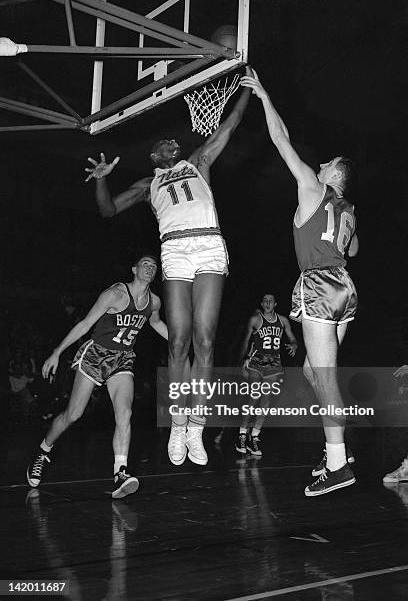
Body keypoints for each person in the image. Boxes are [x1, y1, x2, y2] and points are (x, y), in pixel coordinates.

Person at [85, 72, 252, 467]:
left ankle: (196, 425)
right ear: (155, 156)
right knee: (177, 341)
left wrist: (247, 89)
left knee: (205, 339)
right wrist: (101, 181)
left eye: (177, 142)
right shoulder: (147, 184)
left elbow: (229, 124)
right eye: (167, 143)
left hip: (208, 244)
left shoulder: (199, 162)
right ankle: (178, 423)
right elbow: (107, 211)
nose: (175, 142)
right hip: (175, 250)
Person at [241, 71, 359, 496]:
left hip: (320, 284)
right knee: (314, 371)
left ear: (332, 176)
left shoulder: (313, 187)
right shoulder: (347, 211)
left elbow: (280, 140)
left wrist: (266, 98)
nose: (320, 163)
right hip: (345, 286)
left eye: (327, 163)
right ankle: (338, 445)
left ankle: (337, 462)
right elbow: (354, 249)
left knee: (324, 378)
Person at [27, 254, 168, 499]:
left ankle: (120, 472)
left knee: (125, 413)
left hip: (123, 359)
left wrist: (183, 342)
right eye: (145, 264)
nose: (150, 268)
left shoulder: (153, 301)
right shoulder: (114, 293)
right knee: (74, 414)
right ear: (134, 269)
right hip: (96, 356)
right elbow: (85, 324)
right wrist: (57, 352)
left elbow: (156, 324)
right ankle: (42, 451)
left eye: (154, 265)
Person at [235, 293, 298, 456]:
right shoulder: (255, 320)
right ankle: (242, 435)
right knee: (254, 397)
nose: (268, 303)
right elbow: (245, 342)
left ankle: (254, 437)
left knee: (266, 402)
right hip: (256, 363)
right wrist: (242, 362)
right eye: (265, 300)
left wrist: (294, 346)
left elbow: (293, 339)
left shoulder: (283, 321)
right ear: (262, 303)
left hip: (274, 366)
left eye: (271, 300)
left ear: (275, 304)